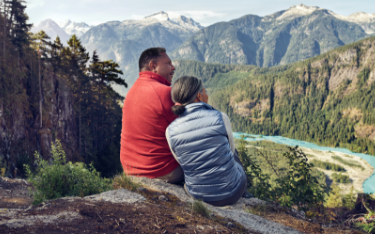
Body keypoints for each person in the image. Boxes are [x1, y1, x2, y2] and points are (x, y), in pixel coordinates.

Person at [166, 76, 248, 206]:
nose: (207, 95)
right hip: (232, 194)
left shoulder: (170, 131)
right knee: (235, 153)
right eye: (204, 91)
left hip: (197, 195)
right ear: (199, 96)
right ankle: (245, 196)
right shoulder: (220, 117)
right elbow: (230, 152)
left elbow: (180, 160)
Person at [120, 47, 184, 184]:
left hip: (131, 171)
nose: (173, 68)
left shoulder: (131, 92)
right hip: (159, 172)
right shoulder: (165, 93)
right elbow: (188, 130)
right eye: (168, 63)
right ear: (153, 66)